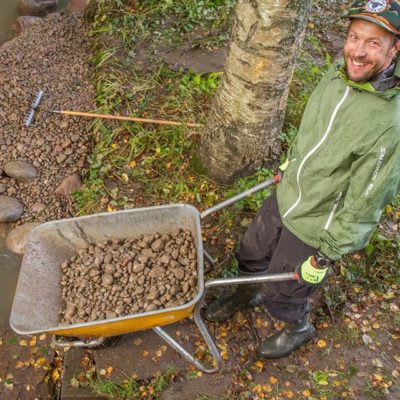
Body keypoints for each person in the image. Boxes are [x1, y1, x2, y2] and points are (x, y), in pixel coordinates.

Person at [205, 0, 400, 359]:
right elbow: (314, 128)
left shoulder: (390, 123)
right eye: (354, 37)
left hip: (315, 222)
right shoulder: (339, 73)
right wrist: (291, 163)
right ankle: (248, 292)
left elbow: (366, 199)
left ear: (394, 48)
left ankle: (298, 327)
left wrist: (327, 253)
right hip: (288, 191)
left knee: (287, 291)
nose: (357, 51)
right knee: (251, 252)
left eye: (373, 43)